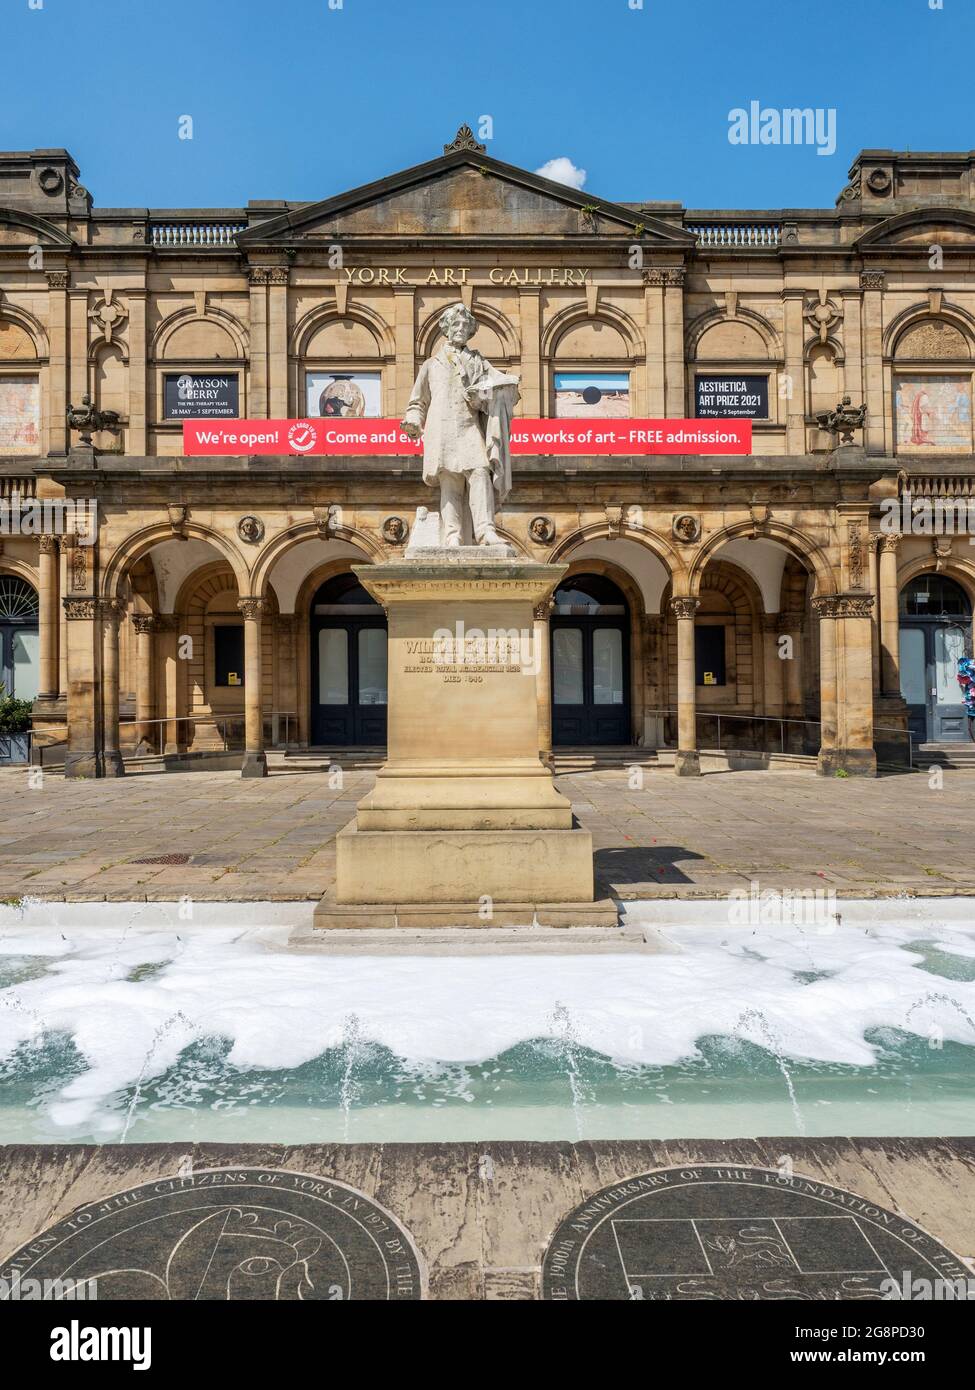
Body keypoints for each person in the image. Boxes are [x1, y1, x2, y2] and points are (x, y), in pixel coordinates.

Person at [401, 303, 519, 547]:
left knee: (479, 472)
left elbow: (500, 386)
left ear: (471, 331)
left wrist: (501, 386)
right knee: (450, 480)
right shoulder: (431, 365)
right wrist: (413, 420)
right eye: (456, 324)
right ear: (446, 328)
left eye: (465, 325)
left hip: (469, 428)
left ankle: (486, 531)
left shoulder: (479, 362)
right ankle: (452, 535)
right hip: (442, 430)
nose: (461, 329)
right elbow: (417, 402)